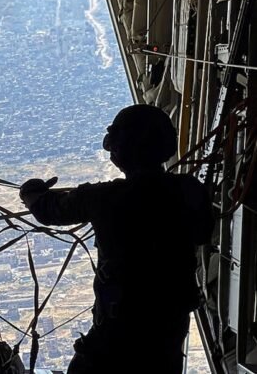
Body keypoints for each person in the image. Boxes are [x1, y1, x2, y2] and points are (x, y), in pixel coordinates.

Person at [19, 104, 214, 374]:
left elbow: (46, 209)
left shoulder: (102, 198)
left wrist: (31, 191)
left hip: (117, 336)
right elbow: (203, 233)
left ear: (119, 148)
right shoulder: (190, 190)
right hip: (167, 334)